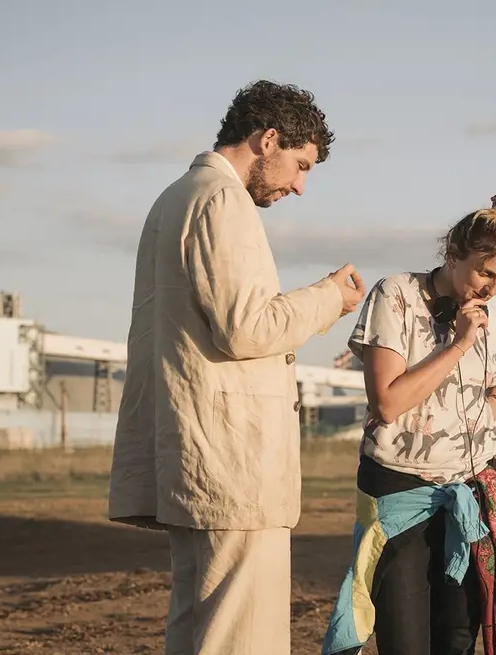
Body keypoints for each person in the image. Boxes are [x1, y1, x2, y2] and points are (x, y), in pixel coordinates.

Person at [107, 79, 367, 655]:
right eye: (300, 166)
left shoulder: (176, 196)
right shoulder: (223, 200)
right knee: (243, 636)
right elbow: (247, 328)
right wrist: (328, 297)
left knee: (199, 625)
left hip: (193, 452)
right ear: (267, 139)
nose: (300, 187)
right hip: (232, 459)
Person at [322, 193, 496, 655]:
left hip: (472, 497)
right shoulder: (395, 295)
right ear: (453, 254)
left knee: (457, 640)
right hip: (401, 495)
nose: (491, 288)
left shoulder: (486, 317)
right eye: (485, 272)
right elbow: (386, 403)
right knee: (404, 641)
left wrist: (492, 407)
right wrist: (458, 345)